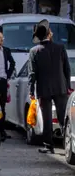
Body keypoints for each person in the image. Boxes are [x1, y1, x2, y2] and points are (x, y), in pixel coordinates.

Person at [29, 20, 72, 154]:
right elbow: (67, 69)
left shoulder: (34, 51)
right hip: (60, 87)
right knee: (63, 116)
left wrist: (31, 90)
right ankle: (68, 143)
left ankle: (49, 145)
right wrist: (68, 86)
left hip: (44, 89)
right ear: (49, 34)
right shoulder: (60, 48)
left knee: (47, 118)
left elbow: (32, 73)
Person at [0, 29, 16, 141]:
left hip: (2, 80)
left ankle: (1, 131)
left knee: (2, 106)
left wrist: (8, 75)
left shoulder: (6, 50)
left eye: (3, 38)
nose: (2, 40)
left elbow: (12, 63)